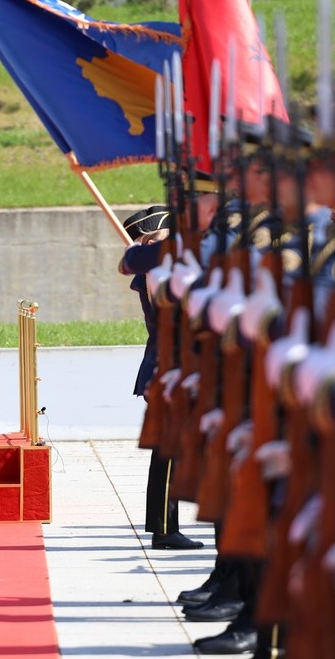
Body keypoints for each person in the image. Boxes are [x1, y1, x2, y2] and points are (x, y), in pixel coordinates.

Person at [117, 205, 203, 551]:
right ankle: (165, 530)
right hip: (169, 365)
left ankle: (162, 524)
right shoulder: (158, 273)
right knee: (170, 450)